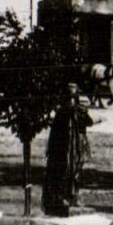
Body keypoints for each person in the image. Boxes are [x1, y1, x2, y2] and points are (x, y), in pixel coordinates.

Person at [41, 85, 94, 215]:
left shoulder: (77, 111)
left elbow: (88, 122)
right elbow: (55, 135)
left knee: (75, 172)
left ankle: (72, 197)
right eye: (69, 97)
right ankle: (62, 197)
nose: (71, 100)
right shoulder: (63, 113)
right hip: (64, 149)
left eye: (73, 97)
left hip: (76, 148)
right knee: (64, 172)